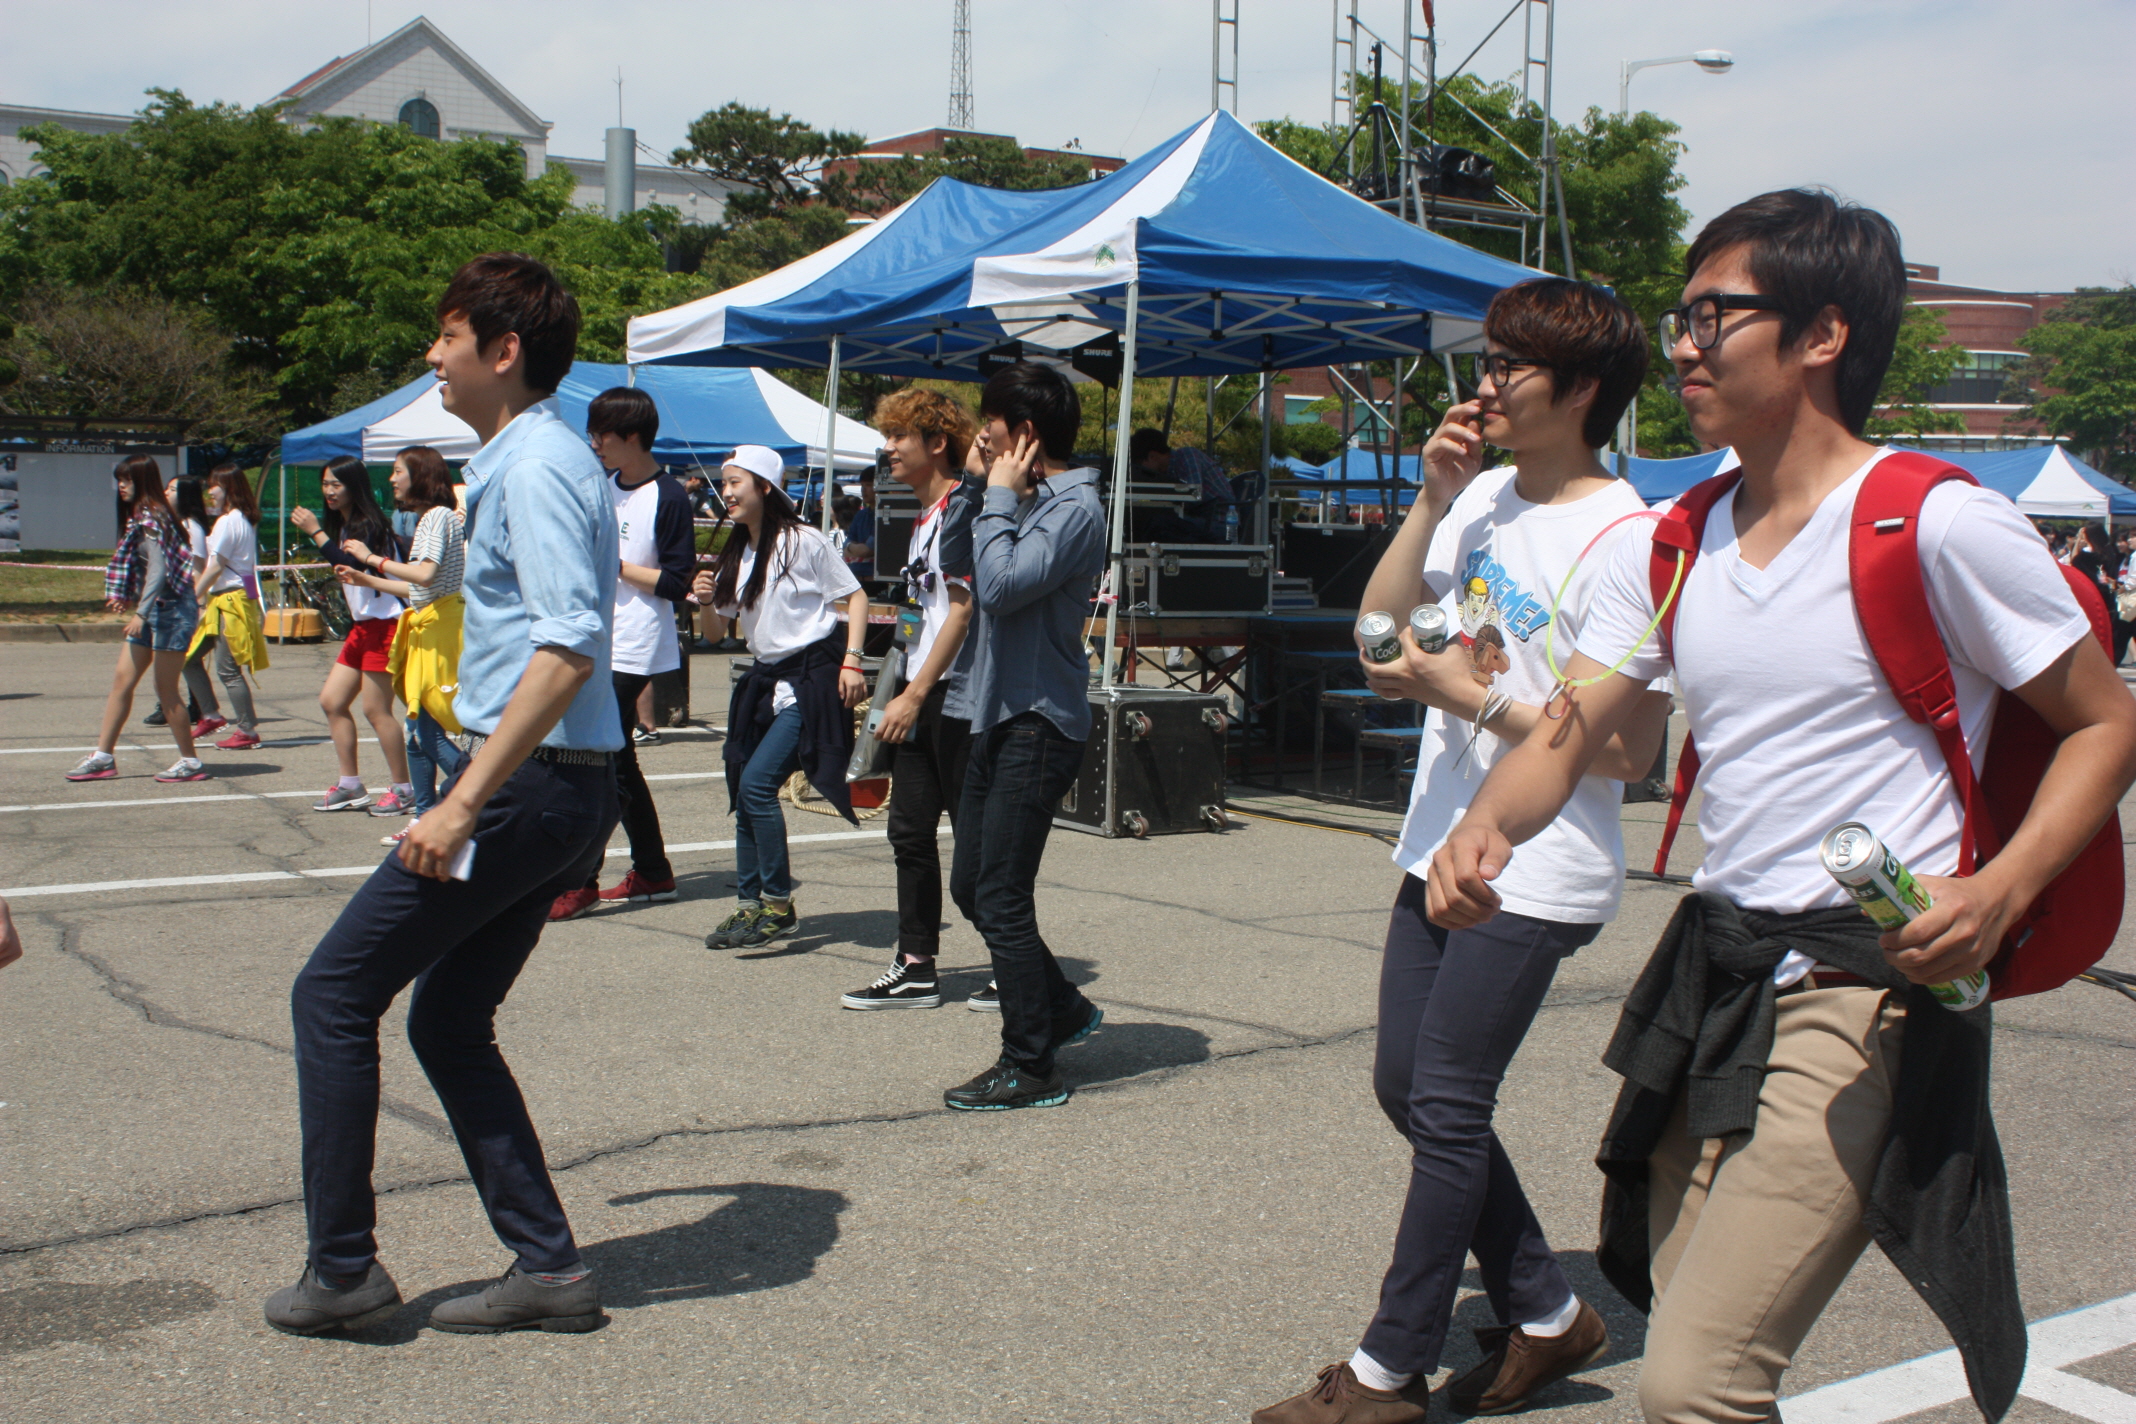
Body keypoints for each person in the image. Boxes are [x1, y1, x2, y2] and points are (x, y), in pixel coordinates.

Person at [1428, 191, 2136, 1424]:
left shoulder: (1934, 521)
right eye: (1683, 315)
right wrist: (1487, 822)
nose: (1684, 344)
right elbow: (1575, 723)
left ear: (1821, 334)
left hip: (1865, 986)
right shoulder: (1677, 540)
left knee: (1694, 1383)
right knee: (1680, 1311)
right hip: (1721, 967)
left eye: (1716, 315)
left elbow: (2105, 720)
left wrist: (1998, 889)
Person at [1254, 279, 1671, 1424]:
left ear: (1579, 390)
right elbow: (1380, 632)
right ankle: (1546, 1306)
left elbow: (1629, 748)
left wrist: (1470, 698)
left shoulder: (1627, 537)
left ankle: (1386, 1370)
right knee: (1409, 1085)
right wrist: (1432, 501)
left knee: (1445, 1098)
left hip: (1539, 861)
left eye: (1508, 366)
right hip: (1439, 836)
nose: (1484, 385)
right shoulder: (1483, 494)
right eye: (1486, 361)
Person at [268, 251, 623, 1337]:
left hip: (528, 789)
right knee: (451, 1021)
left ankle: (343, 1270)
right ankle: (549, 1270)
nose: (432, 353)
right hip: (558, 787)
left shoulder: (537, 465)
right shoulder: (525, 461)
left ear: (503, 351)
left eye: (448, 335)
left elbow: (568, 645)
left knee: (332, 994)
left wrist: (463, 799)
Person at [939, 362, 1108, 1112]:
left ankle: (1031, 1063)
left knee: (1002, 894)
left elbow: (1003, 589)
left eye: (993, 424)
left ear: (1027, 432)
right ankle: (1061, 1007)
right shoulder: (1015, 494)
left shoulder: (1076, 509)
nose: (982, 433)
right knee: (971, 885)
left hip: (1039, 720)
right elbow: (954, 564)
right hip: (994, 712)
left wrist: (1002, 496)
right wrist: (977, 486)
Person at [693, 444, 869, 952]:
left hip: (810, 680)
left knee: (755, 785)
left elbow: (855, 596)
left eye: (735, 482)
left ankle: (777, 906)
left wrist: (853, 661)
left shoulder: (803, 540)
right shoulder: (738, 551)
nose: (726, 492)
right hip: (766, 682)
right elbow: (713, 633)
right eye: (723, 484)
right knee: (746, 787)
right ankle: (750, 904)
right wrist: (705, 601)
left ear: (765, 488)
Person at [841, 388, 980, 1010]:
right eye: (887, 436)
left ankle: (1015, 963)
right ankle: (916, 964)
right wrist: (890, 674)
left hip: (957, 697)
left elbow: (963, 611)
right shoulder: (922, 517)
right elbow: (921, 612)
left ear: (937, 443)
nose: (888, 448)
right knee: (909, 831)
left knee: (977, 843)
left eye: (899, 436)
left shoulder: (964, 508)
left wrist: (916, 693)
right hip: (919, 695)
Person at [549, 387, 694, 920]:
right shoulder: (604, 487)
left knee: (596, 757)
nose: (594, 443)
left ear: (632, 436)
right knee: (617, 761)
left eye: (601, 434)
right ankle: (653, 870)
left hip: (635, 641)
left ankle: (582, 879)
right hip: (595, 635)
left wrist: (614, 566)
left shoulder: (669, 495)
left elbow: (677, 581)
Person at [338, 446, 466, 846]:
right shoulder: (438, 517)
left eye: (398, 471)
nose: (392, 479)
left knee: (425, 731)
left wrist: (371, 559)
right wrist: (368, 580)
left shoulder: (435, 516)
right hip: (432, 626)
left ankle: (478, 787)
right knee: (415, 730)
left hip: (437, 633)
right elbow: (420, 587)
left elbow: (424, 575)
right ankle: (424, 816)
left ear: (420, 475)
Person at [68, 456, 208, 784]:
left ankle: (190, 762)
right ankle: (103, 757)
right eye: (119, 479)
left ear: (143, 480)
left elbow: (159, 569)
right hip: (155, 608)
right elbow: (144, 568)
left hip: (172, 611)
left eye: (127, 479)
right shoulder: (143, 514)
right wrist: (129, 598)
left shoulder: (152, 515)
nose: (121, 486)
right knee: (123, 682)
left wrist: (140, 614)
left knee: (165, 688)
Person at [291, 457, 416, 815]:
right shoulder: (347, 525)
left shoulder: (368, 524)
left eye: (337, 484)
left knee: (376, 710)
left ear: (354, 487)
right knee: (332, 701)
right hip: (363, 627)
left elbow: (353, 568)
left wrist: (316, 532)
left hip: (386, 624)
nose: (329, 491)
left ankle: (404, 789)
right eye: (325, 484)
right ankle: (350, 785)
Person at [183, 465, 269, 751]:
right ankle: (210, 715)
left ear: (229, 488)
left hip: (229, 601)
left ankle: (246, 730)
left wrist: (192, 597)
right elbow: (241, 568)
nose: (210, 491)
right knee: (190, 658)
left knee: (228, 670)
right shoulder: (242, 520)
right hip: (227, 600)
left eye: (214, 485)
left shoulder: (228, 521)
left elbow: (215, 566)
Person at [147, 477, 212, 729]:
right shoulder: (173, 523)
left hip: (184, 601)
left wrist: (199, 603)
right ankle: (181, 704)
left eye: (172, 489)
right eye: (167, 488)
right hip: (169, 599)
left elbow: (198, 568)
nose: (166, 492)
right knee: (174, 656)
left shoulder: (190, 527)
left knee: (178, 656)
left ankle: (188, 705)